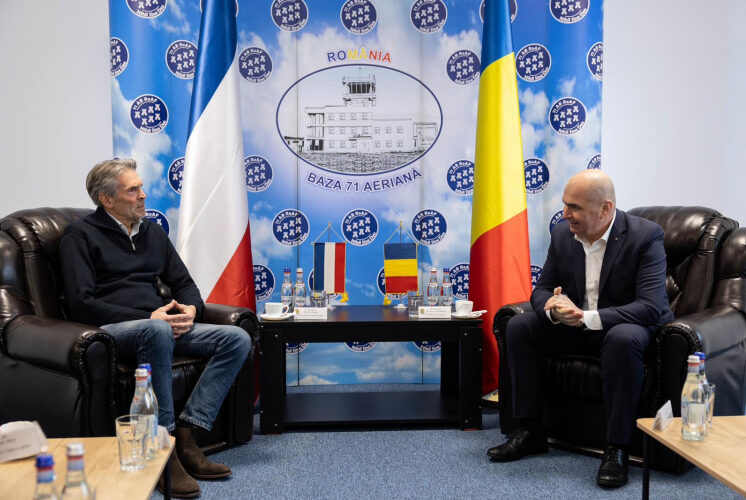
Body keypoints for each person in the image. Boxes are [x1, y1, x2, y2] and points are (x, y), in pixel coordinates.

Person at [59, 158, 252, 499]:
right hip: (112, 330)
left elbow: (184, 283)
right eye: (132, 190)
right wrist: (150, 317)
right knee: (158, 331)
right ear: (107, 199)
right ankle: (161, 451)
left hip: (159, 325)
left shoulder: (152, 233)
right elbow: (81, 303)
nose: (143, 195)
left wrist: (191, 309)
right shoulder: (79, 236)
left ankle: (188, 436)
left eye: (141, 187)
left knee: (237, 338)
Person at [486, 169, 674, 488]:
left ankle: (616, 448)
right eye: (564, 204)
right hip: (576, 325)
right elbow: (541, 289)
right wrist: (553, 307)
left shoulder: (645, 236)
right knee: (520, 326)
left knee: (622, 339)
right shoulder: (563, 233)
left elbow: (649, 307)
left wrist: (586, 317)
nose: (565, 214)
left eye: (574, 207)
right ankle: (530, 430)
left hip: (627, 328)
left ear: (605, 209)